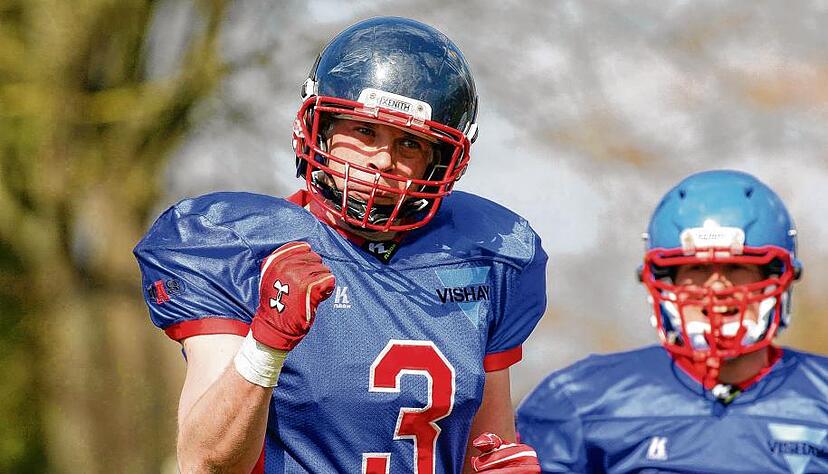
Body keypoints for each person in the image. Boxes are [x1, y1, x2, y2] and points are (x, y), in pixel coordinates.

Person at [134, 16, 547, 473]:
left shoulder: (485, 258)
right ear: (321, 128)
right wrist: (266, 345)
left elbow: (486, 449)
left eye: (410, 143)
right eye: (365, 132)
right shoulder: (238, 247)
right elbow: (207, 463)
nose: (383, 159)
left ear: (440, 162)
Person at [516, 170, 828, 473]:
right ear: (663, 282)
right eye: (697, 270)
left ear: (778, 280)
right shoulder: (579, 399)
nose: (717, 289)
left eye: (737, 268)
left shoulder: (821, 394)